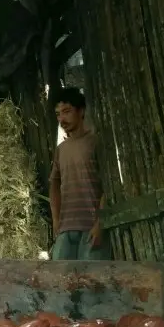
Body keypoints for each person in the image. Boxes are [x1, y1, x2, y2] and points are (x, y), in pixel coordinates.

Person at [49, 87, 109, 261]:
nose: (62, 119)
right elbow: (54, 184)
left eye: (66, 112)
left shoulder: (96, 142)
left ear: (81, 111)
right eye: (58, 114)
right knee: (60, 281)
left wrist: (100, 223)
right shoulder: (61, 149)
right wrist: (56, 221)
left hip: (91, 227)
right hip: (66, 229)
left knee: (91, 283)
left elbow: (109, 186)